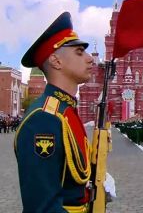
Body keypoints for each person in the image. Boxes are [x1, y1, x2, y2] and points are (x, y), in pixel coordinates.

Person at [14, 12, 94, 212]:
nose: (90, 58)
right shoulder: (44, 119)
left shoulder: (64, 111)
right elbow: (43, 207)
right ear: (56, 61)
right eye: (79, 52)